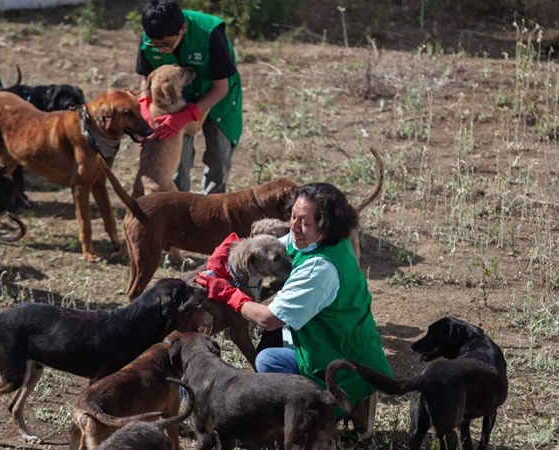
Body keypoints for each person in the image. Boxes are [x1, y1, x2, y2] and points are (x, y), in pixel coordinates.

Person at [196, 182, 393, 428]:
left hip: (338, 358)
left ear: (326, 224)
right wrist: (233, 250)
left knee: (268, 360)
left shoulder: (321, 268)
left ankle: (323, 409)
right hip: (336, 339)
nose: (295, 227)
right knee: (272, 342)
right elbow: (273, 244)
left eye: (305, 222)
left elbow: (267, 319)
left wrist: (230, 294)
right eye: (292, 216)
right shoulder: (321, 241)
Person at [135, 0, 243, 194]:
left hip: (217, 97)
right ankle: (179, 211)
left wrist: (185, 116)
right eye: (155, 44)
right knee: (177, 158)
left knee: (218, 158)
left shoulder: (209, 33)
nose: (160, 49)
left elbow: (220, 88)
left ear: (183, 29)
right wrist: (144, 108)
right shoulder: (151, 36)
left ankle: (212, 211)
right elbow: (146, 79)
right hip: (175, 100)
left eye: (167, 44)